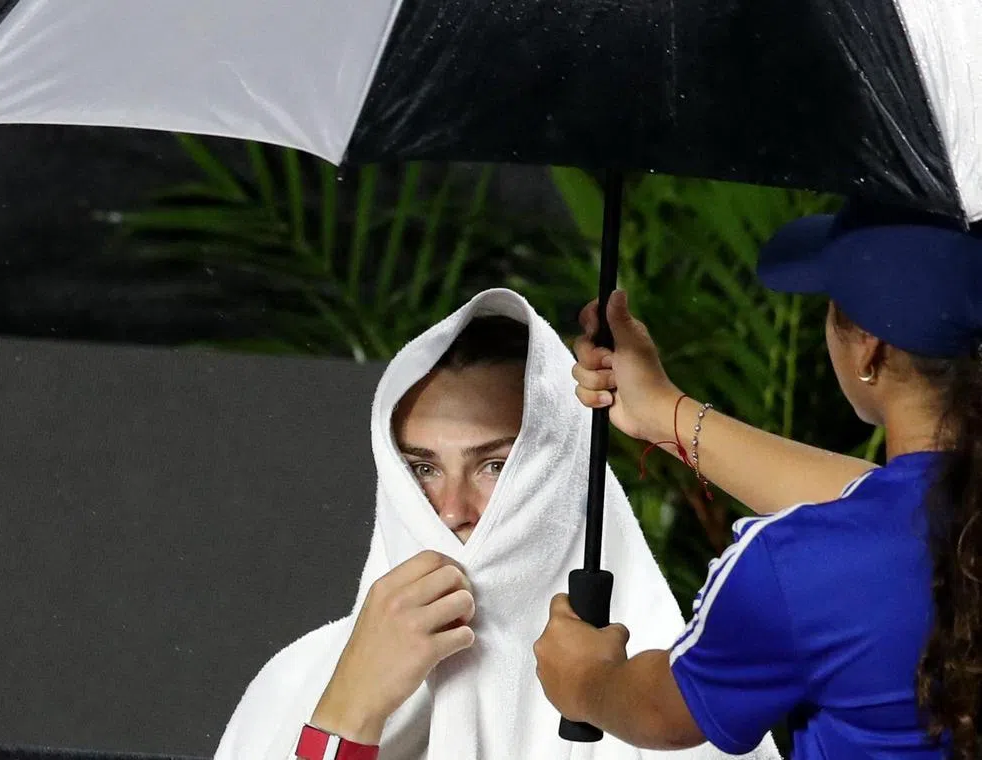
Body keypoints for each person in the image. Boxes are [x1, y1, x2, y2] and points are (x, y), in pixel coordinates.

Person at [214, 288, 780, 759]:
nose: (452, 510)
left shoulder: (679, 708)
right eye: (423, 467)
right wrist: (348, 715)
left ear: (561, 471)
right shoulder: (297, 685)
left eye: (495, 466)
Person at [533, 203, 982, 759]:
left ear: (869, 346)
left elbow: (663, 713)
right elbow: (883, 501)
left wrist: (584, 679)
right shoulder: (933, 524)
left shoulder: (797, 566)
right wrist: (661, 410)